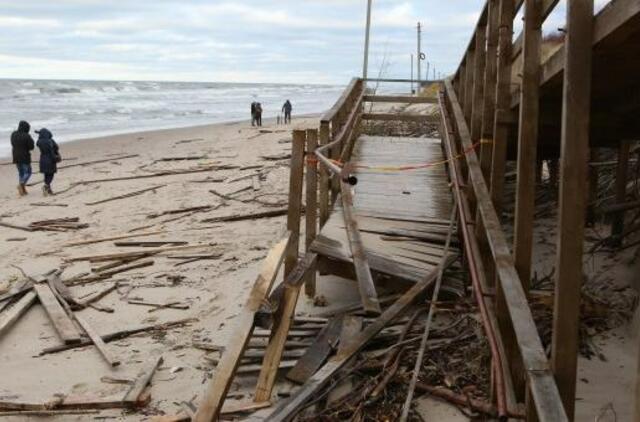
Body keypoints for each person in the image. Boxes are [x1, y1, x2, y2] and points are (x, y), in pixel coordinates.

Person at [10, 120, 35, 196]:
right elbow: (31, 147)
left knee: (21, 173)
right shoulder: (26, 136)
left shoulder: (13, 134)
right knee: (28, 172)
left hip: (15, 156)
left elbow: (12, 143)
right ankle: (21, 184)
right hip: (24, 157)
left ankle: (22, 189)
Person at [35, 128, 60, 196]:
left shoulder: (39, 142)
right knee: (51, 175)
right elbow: (56, 148)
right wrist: (55, 158)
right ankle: (46, 186)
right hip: (50, 160)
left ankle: (48, 189)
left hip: (42, 159)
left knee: (46, 175)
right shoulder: (50, 141)